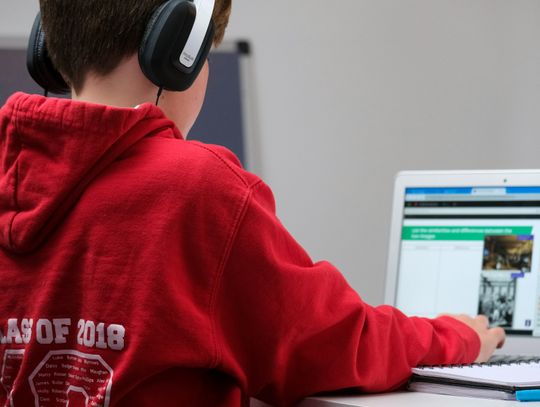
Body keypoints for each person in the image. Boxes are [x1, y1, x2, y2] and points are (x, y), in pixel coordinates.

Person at [0, 1, 505, 406]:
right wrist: (456, 338)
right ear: (177, 50)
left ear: (49, 45)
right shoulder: (196, 189)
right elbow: (338, 342)